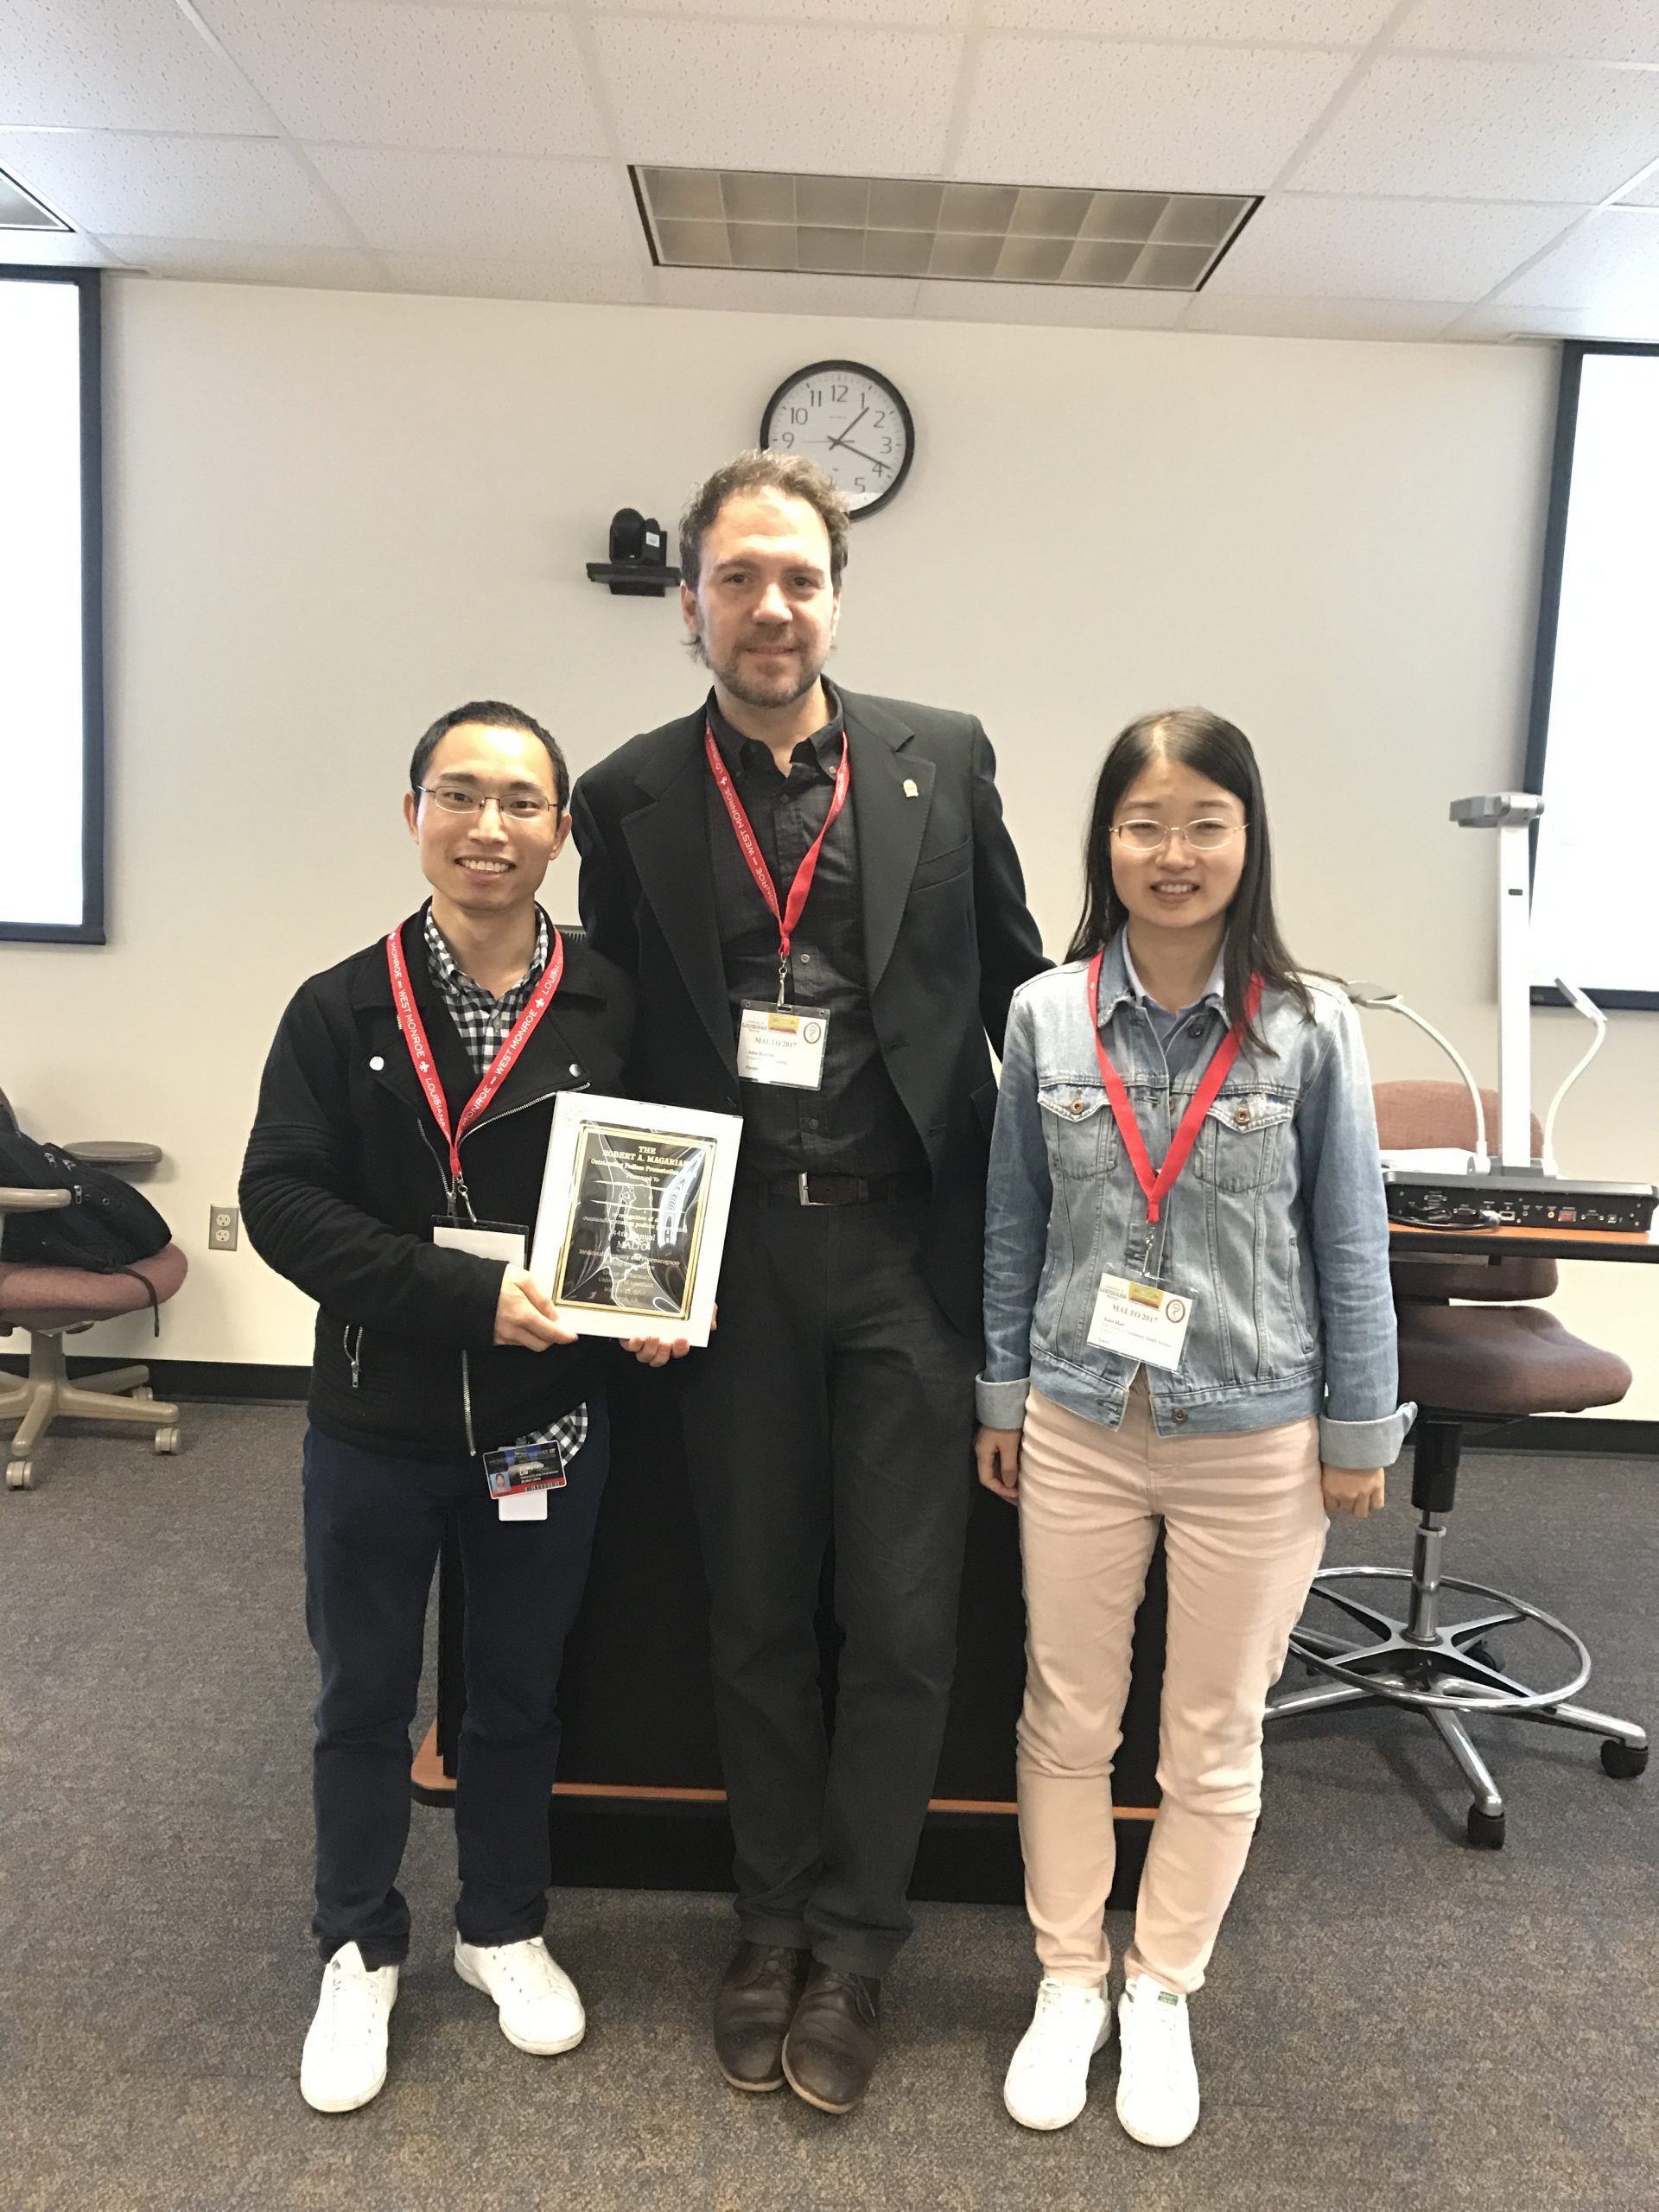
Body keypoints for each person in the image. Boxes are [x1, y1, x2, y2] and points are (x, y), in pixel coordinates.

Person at [572, 452, 1046, 2113]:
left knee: (905, 1625)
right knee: (756, 1612)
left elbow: (1027, 994)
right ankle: (766, 1925)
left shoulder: (943, 757)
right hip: (732, 1258)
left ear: (837, 599)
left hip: (907, 1251)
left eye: (799, 579)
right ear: (690, 603)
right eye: (737, 579)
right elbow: (614, 1039)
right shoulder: (627, 793)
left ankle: (857, 1945)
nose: (769, 608)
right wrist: (624, 1266)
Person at [976, 708, 1410, 2145]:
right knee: (1067, 1715)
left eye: (1205, 824)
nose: (1175, 852)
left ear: (1247, 839)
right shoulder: (1045, 1015)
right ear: (1106, 841)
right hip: (1079, 1417)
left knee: (1214, 1736)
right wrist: (999, 1395)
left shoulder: (1312, 1025)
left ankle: (1161, 1988)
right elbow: (1013, 1228)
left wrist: (1359, 1428)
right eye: (1145, 824)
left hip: (1257, 1431)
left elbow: (1351, 1241)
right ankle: (1069, 1979)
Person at [242, 701, 675, 2115]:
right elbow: (282, 1200)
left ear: (560, 829)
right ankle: (357, 1944)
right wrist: (459, 1295)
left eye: (521, 802)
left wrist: (656, 1299)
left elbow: (662, 1178)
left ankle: (501, 1927)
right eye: (460, 795)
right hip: (376, 1423)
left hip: (546, 1422)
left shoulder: (614, 1002)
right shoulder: (339, 1006)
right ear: (415, 813)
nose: (490, 827)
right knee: (364, 1700)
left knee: (515, 1695)